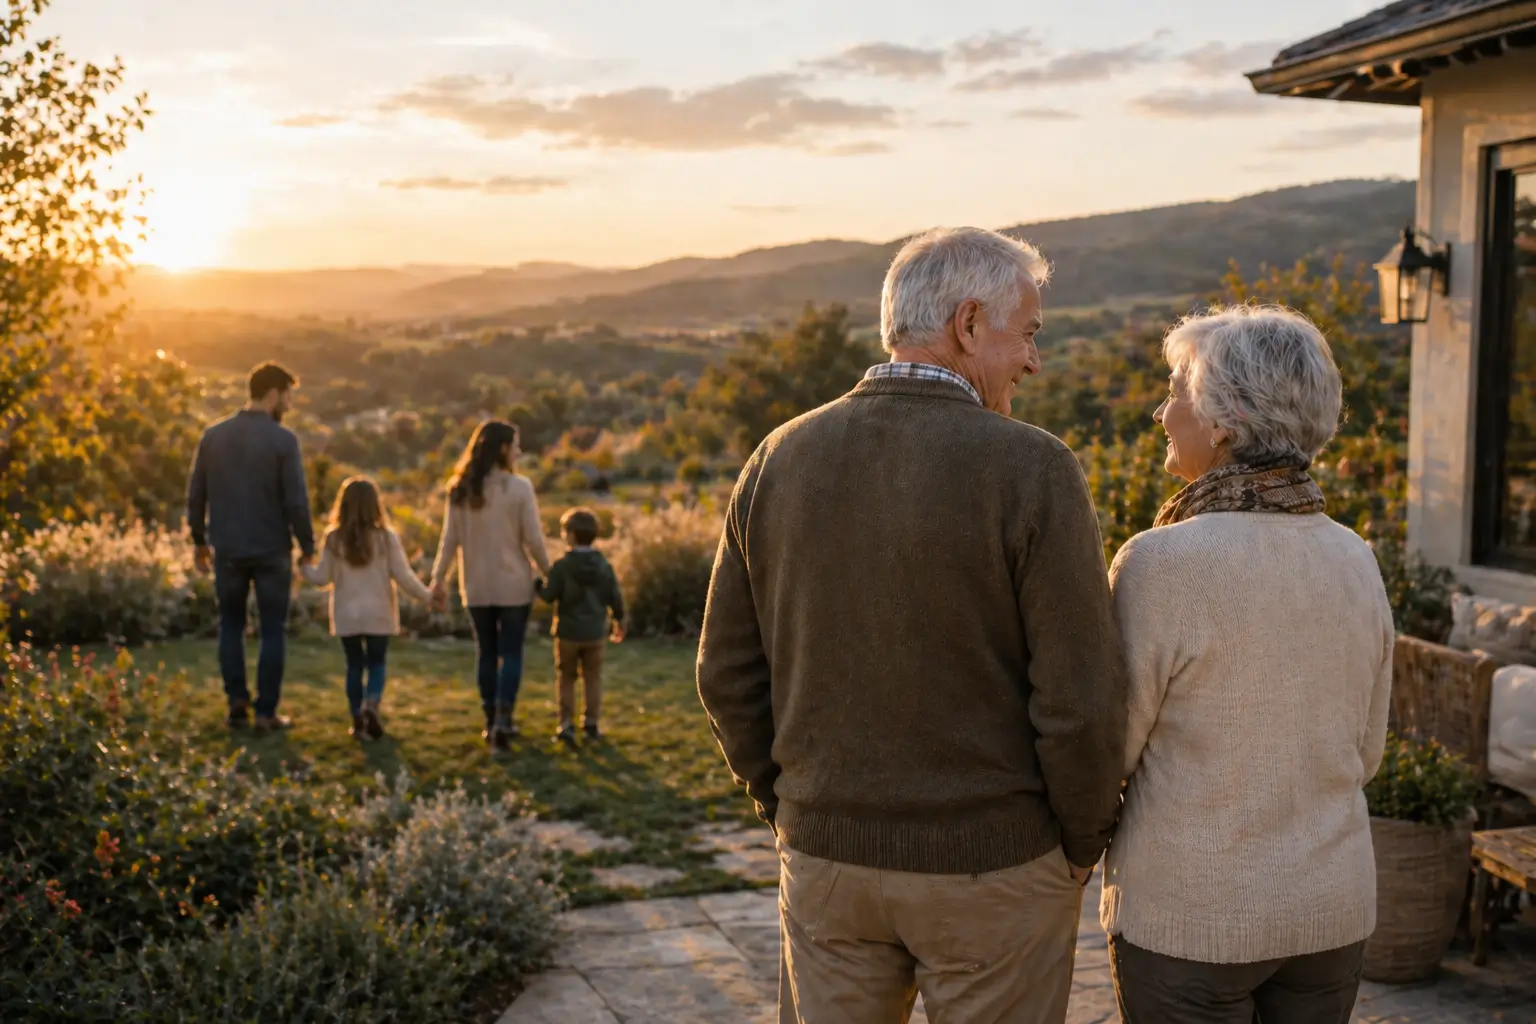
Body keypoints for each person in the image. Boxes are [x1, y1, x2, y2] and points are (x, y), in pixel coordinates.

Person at [697, 226, 1128, 1024]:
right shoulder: (1033, 469)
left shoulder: (776, 458)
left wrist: (794, 807)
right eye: (1027, 333)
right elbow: (1082, 700)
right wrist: (1080, 842)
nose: (1033, 359)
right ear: (969, 325)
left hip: (827, 863)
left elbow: (723, 674)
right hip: (995, 870)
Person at [1102, 305, 1393, 1024]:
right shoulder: (1355, 557)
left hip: (1193, 920)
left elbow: (1107, 748)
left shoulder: (1160, 561)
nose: (1161, 413)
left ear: (1224, 420)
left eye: (1175, 391)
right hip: (1330, 911)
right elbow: (1367, 752)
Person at [186, 361, 314, 733]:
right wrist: (307, 545)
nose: (289, 405)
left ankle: (236, 704)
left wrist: (199, 540)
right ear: (273, 394)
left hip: (227, 546)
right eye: (288, 396)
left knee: (231, 625)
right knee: (273, 628)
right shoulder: (283, 440)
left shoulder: (214, 436)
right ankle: (266, 712)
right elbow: (296, 501)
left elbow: (196, 495)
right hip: (272, 548)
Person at [431, 419, 551, 749]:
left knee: (486, 653)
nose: (519, 451)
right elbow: (534, 541)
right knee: (511, 653)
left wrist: (437, 580)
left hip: (476, 587)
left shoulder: (460, 489)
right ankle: (503, 719)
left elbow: (448, 541)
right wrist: (552, 574)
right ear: (502, 448)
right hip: (514, 585)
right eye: (515, 445)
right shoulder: (520, 488)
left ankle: (489, 720)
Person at [300, 476, 437, 740]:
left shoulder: (333, 539)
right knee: (376, 663)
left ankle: (356, 718)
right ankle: (371, 705)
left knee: (354, 665)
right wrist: (429, 597)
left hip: (346, 614)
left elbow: (321, 578)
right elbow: (405, 577)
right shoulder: (386, 538)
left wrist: (303, 565)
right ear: (375, 505)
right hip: (379, 613)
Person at [535, 507, 626, 747]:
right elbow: (614, 595)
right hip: (595, 632)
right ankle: (591, 723)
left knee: (566, 678)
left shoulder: (562, 566)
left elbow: (548, 595)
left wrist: (537, 583)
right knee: (593, 678)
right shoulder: (603, 565)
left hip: (567, 633)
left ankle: (566, 724)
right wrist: (619, 619)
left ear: (572, 535)